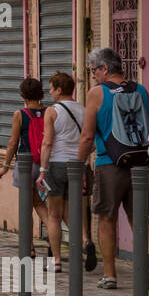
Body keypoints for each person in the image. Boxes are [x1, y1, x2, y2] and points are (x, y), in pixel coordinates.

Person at [77, 46, 149, 291]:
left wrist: (79, 164)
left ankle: (110, 274)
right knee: (139, 216)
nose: (93, 75)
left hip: (109, 164)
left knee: (106, 218)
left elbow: (87, 135)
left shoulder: (97, 93)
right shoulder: (141, 90)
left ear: (104, 69)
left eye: (94, 70)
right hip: (142, 163)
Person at [36, 71, 95, 274]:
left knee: (54, 215)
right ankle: (85, 244)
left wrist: (43, 170)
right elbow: (91, 141)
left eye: (51, 89)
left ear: (59, 90)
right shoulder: (83, 109)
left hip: (57, 165)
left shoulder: (52, 111)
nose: (50, 93)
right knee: (74, 212)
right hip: (77, 166)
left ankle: (57, 261)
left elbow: (47, 142)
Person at [0, 77, 50, 244]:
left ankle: (29, 246)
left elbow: (13, 143)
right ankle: (53, 236)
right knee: (39, 203)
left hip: (26, 165)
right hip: (44, 165)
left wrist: (5, 166)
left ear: (23, 95)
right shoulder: (49, 112)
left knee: (26, 206)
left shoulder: (20, 114)